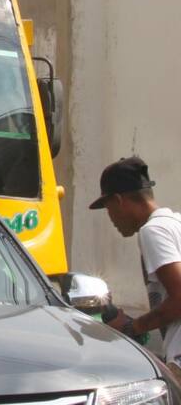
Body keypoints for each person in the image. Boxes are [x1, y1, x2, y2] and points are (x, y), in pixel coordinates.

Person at [91, 156, 181, 371]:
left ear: (118, 200)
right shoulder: (175, 223)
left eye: (108, 208)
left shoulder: (153, 231)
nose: (111, 218)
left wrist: (133, 327)